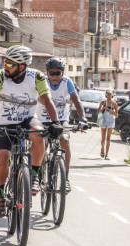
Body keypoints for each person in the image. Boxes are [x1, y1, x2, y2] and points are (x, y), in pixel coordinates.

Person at [0, 45, 63, 218]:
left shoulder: (37, 77)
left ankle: (34, 174)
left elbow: (46, 100)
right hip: (3, 122)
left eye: (11, 64)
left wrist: (56, 122)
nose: (6, 67)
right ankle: (1, 194)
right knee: (3, 156)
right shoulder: (0, 76)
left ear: (22, 66)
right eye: (6, 63)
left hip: (27, 119)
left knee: (39, 134)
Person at [38, 57, 88, 193]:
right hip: (43, 120)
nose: (55, 76)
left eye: (58, 73)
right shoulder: (42, 82)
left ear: (62, 73)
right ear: (47, 73)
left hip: (61, 120)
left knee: (65, 140)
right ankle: (40, 173)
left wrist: (82, 118)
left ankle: (65, 178)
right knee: (44, 144)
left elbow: (76, 101)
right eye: (51, 73)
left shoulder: (67, 82)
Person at [97, 89, 118, 160]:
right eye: (108, 95)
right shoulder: (103, 102)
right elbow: (98, 111)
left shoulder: (114, 104)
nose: (109, 96)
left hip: (111, 121)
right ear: (106, 95)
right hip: (103, 120)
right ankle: (102, 149)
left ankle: (107, 155)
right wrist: (103, 108)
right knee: (103, 138)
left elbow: (117, 115)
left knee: (108, 138)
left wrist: (113, 112)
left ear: (112, 95)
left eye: (110, 95)